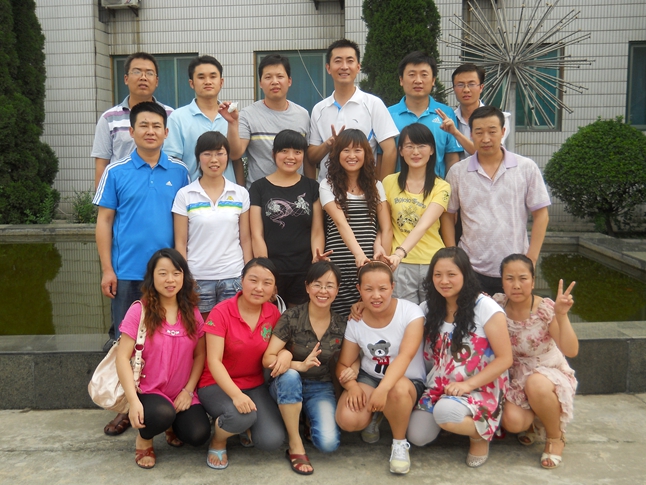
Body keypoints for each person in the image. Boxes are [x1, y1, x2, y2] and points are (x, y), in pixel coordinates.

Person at [94, 101, 189, 436]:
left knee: (171, 344)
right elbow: (104, 222)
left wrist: (182, 271)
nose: (151, 131)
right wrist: (107, 269)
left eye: (156, 126)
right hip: (128, 273)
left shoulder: (180, 172)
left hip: (169, 277)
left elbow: (185, 221)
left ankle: (168, 411)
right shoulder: (116, 172)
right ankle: (125, 407)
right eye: (144, 126)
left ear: (166, 132)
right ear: (132, 131)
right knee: (127, 345)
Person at [407, 247, 512, 468]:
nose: (444, 281)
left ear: (465, 274)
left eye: (451, 274)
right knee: (417, 436)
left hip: (479, 385)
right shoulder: (428, 308)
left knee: (445, 414)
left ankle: (479, 435)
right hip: (441, 386)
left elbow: (505, 359)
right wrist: (361, 308)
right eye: (437, 274)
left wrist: (468, 385)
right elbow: (397, 316)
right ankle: (455, 422)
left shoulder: (485, 307)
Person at [440, 105, 550, 296]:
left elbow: (541, 215)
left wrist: (531, 258)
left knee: (514, 315)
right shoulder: (458, 172)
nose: (486, 139)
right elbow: (448, 215)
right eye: (479, 132)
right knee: (471, 314)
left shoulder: (526, 168)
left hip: (515, 267)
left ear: (503, 132)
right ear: (471, 134)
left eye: (492, 131)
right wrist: (453, 255)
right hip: (471, 267)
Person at [115, 248, 211, 469]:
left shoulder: (191, 312)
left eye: (176, 273)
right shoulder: (139, 311)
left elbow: (200, 354)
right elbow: (122, 358)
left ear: (184, 277)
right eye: (163, 273)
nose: (170, 280)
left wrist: (188, 391)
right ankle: (144, 440)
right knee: (161, 414)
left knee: (198, 434)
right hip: (149, 391)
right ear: (152, 276)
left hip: (181, 392)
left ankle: (170, 425)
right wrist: (133, 402)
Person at [335, 262, 425, 475]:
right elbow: (343, 364)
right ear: (359, 290)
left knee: (396, 390)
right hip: (370, 377)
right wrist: (352, 386)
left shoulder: (410, 312)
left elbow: (405, 356)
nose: (376, 295)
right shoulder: (356, 320)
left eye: (382, 288)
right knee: (348, 420)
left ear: (393, 287)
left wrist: (382, 389)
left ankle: (399, 443)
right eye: (368, 289)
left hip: (406, 381)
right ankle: (378, 413)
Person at [197, 258, 286, 470]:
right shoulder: (221, 312)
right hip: (216, 384)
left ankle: (243, 426)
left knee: (271, 440)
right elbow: (214, 361)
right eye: (253, 280)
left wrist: (286, 355)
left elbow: (279, 347)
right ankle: (219, 440)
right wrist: (236, 395)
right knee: (240, 416)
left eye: (267, 283)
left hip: (254, 384)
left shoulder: (273, 313)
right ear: (242, 280)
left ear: (274, 288)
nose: (259, 288)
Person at [493, 254, 578, 469]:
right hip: (515, 376)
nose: (516, 285)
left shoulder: (544, 309)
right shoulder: (496, 305)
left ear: (533, 281)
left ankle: (555, 437)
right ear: (502, 281)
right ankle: (534, 422)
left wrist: (561, 315)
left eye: (523, 278)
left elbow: (571, 350)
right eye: (509, 278)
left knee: (536, 383)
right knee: (513, 423)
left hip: (547, 372)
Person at [262, 261, 347, 475]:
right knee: (290, 376)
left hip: (320, 386)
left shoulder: (341, 324)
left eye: (329, 286)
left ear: (337, 290)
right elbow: (268, 358)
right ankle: (295, 444)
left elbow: (346, 360)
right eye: (317, 284)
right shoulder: (291, 317)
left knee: (328, 443)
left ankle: (307, 417)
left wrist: (352, 370)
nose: (323, 291)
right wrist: (296, 363)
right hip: (287, 383)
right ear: (307, 287)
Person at [173, 131, 252, 319]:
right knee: (200, 332)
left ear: (227, 156)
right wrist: (184, 277)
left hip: (233, 277)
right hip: (198, 279)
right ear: (198, 157)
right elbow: (180, 243)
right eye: (207, 154)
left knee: (232, 330)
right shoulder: (185, 195)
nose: (214, 160)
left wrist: (248, 274)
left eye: (220, 153)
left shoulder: (240, 193)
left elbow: (246, 239)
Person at [319, 129, 392, 318]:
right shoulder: (327, 185)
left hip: (369, 264)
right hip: (339, 264)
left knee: (366, 319)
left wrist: (380, 263)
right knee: (340, 319)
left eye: (357, 150)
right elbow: (340, 222)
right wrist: (358, 255)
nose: (352, 155)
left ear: (366, 154)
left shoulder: (376, 185)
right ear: (337, 154)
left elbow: (385, 227)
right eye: (346, 150)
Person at [249, 129, 326, 307]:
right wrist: (266, 274)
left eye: (297, 152)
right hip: (272, 270)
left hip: (303, 271)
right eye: (284, 151)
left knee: (298, 319)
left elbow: (317, 231)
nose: (291, 157)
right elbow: (257, 234)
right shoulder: (259, 188)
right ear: (274, 154)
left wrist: (316, 261)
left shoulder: (312, 187)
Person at [309, 39, 399, 181]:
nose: (344, 67)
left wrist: (381, 189)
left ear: (358, 67)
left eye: (350, 61)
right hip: (327, 189)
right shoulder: (319, 109)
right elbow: (311, 156)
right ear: (328, 68)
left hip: (365, 189)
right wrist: (327, 145)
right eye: (338, 61)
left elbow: (390, 150)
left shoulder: (373, 104)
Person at [382, 123, 451, 304]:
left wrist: (400, 252)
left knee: (435, 316)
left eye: (422, 146)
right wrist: (385, 259)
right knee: (406, 317)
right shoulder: (388, 182)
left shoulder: (442, 186)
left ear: (432, 150)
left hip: (432, 263)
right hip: (400, 266)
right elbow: (384, 226)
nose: (415, 152)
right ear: (400, 151)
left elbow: (423, 225)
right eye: (409, 146)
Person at [219, 54, 312, 186]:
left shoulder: (302, 115)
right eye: (268, 77)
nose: (274, 82)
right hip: (259, 194)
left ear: (289, 81)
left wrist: (311, 189)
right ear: (260, 83)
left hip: (296, 193)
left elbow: (307, 158)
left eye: (280, 76)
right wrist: (233, 123)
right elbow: (235, 154)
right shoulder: (248, 114)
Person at [92, 52, 173, 188]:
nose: (143, 77)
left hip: (163, 191)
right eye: (137, 72)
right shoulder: (109, 118)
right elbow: (102, 166)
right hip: (123, 193)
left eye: (149, 73)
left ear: (156, 81)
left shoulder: (171, 116)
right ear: (126, 79)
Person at [165, 55, 243, 184]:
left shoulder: (233, 116)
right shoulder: (177, 118)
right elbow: (173, 162)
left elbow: (235, 157)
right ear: (192, 83)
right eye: (201, 77)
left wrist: (233, 123)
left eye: (213, 76)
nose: (207, 81)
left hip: (228, 193)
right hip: (191, 192)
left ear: (221, 82)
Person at [387, 51, 462, 177]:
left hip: (437, 188)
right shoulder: (389, 115)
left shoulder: (446, 114)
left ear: (433, 80)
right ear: (401, 80)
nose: (418, 81)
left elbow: (452, 157)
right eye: (412, 75)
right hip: (398, 188)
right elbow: (383, 156)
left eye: (424, 75)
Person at [436, 63, 511, 160]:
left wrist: (455, 133)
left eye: (471, 84)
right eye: (460, 85)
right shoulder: (449, 120)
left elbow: (487, 154)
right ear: (454, 89)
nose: (466, 90)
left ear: (481, 87)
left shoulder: (500, 118)